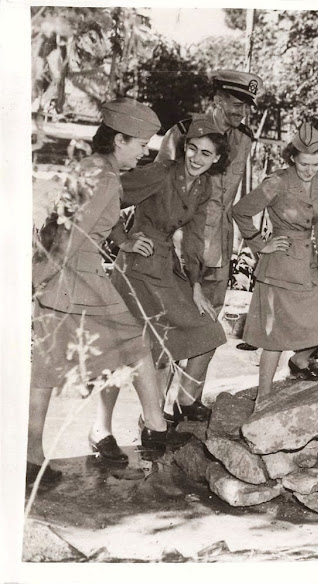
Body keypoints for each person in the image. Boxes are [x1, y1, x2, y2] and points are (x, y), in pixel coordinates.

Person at [30, 98, 191, 481]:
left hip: (70, 276)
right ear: (119, 140)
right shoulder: (104, 176)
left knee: (47, 368)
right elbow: (71, 233)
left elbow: (102, 214)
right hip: (75, 277)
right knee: (133, 345)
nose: (144, 151)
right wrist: (41, 281)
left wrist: (124, 240)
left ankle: (31, 457)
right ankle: (155, 426)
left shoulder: (98, 168)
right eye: (139, 143)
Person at [109, 118, 230, 425]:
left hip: (167, 269)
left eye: (206, 153)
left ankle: (187, 399)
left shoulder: (204, 186)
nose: (196, 158)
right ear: (183, 148)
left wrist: (196, 285)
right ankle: (153, 422)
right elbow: (109, 195)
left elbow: (192, 240)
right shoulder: (161, 174)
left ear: (217, 158)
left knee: (210, 329)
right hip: (137, 270)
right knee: (159, 350)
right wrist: (123, 241)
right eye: (192, 149)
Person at [156, 69, 263, 409]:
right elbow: (160, 186)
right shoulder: (184, 133)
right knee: (170, 328)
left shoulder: (244, 139)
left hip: (218, 245)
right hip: (179, 242)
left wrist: (251, 242)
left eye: (246, 107)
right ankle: (154, 414)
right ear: (217, 99)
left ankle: (188, 403)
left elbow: (236, 196)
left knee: (209, 328)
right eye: (234, 104)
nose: (240, 113)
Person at [232, 123, 318, 401]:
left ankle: (300, 361)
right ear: (292, 158)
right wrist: (261, 245)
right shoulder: (277, 181)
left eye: (316, 163)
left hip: (309, 265)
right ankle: (263, 397)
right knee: (273, 338)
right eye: (304, 164)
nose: (310, 169)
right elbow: (240, 211)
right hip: (279, 267)